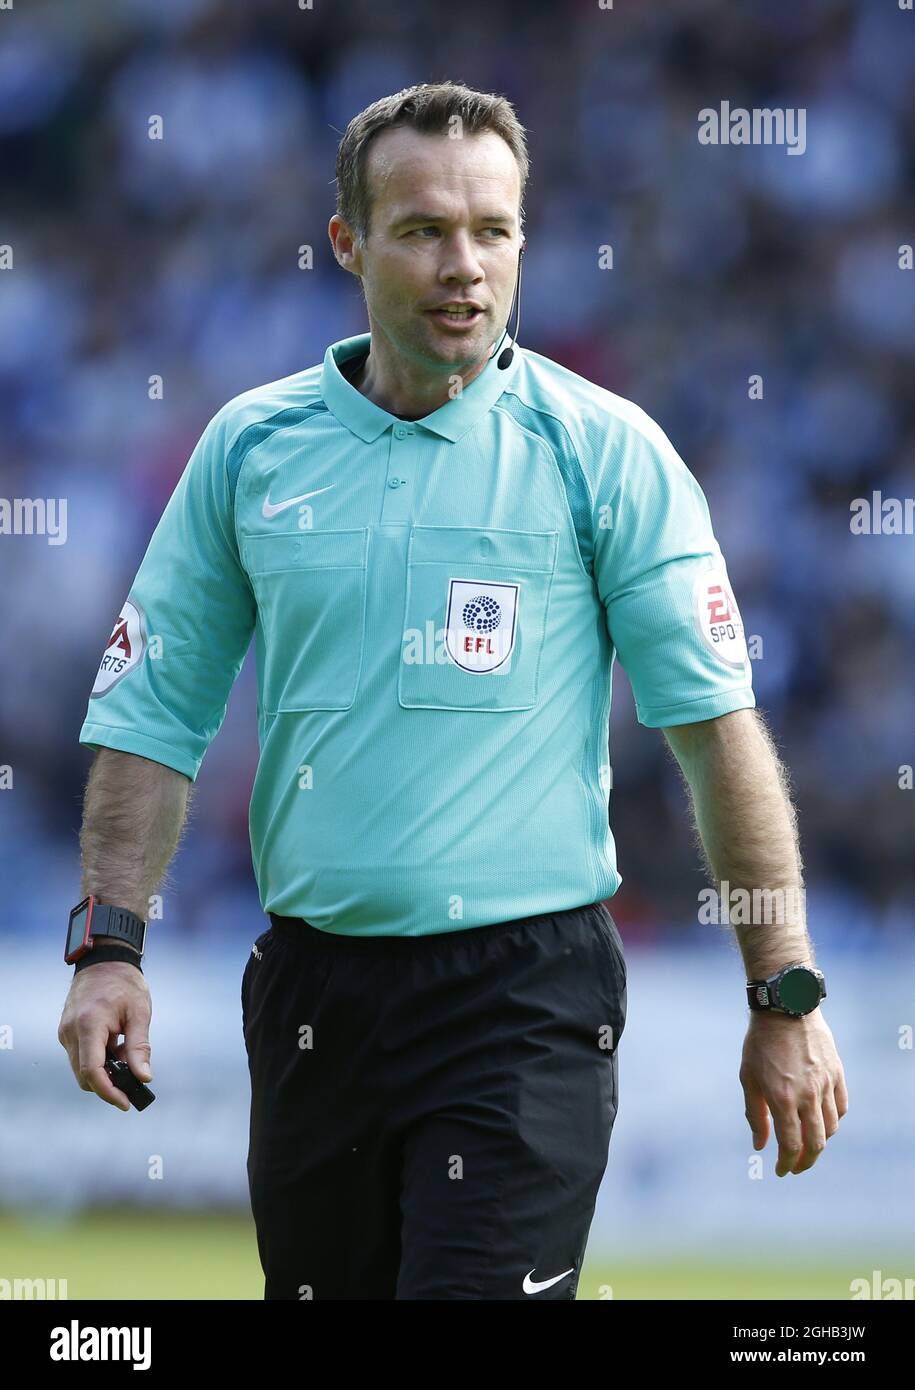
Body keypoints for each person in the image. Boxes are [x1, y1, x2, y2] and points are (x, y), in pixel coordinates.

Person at [58, 81, 848, 1301]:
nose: (463, 264)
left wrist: (783, 988)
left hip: (523, 997)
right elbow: (152, 716)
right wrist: (109, 948)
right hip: (317, 994)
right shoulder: (250, 452)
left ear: (526, 242)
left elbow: (716, 732)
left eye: (494, 230)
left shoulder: (607, 452)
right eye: (423, 229)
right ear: (348, 244)